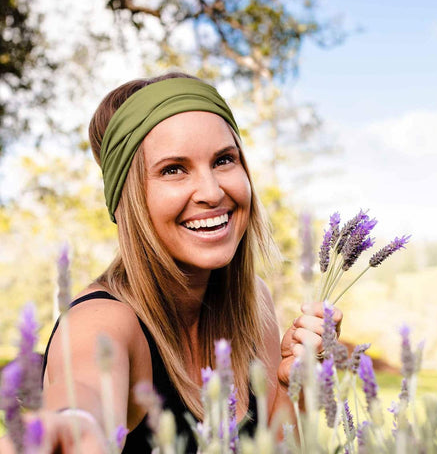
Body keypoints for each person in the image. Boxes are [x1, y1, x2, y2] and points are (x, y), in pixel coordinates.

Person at [0, 72, 342, 453]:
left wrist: (292, 386)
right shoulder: (102, 321)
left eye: (224, 160)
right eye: (173, 169)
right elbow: (83, 390)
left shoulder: (253, 302)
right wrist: (72, 423)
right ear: (128, 198)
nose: (212, 192)